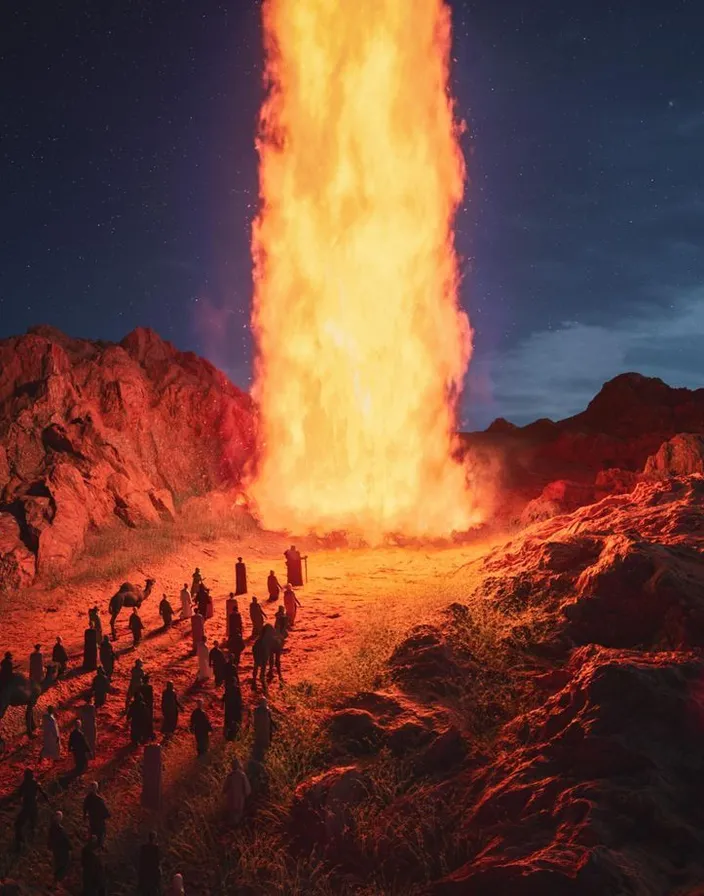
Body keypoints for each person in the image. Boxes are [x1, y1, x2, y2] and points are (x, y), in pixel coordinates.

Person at [14, 768, 48, 849]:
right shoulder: (35, 783)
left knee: (18, 824)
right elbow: (42, 791)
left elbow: (19, 794)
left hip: (27, 805)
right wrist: (47, 799)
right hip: (33, 805)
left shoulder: (24, 784)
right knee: (33, 822)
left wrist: (19, 799)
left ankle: (21, 841)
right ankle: (32, 837)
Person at [223, 756, 251, 825]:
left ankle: (232, 827)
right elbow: (247, 787)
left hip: (231, 798)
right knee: (238, 813)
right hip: (240, 798)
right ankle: (236, 827)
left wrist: (224, 792)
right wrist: (247, 794)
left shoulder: (230, 775)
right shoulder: (242, 775)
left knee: (232, 814)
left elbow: (225, 788)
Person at [83, 781, 110, 848]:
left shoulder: (88, 798)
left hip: (92, 820)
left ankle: (94, 847)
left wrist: (85, 817)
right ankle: (99, 847)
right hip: (98, 821)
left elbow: (84, 809)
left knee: (94, 834)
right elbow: (104, 810)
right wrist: (107, 815)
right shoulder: (98, 799)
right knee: (100, 834)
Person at [48, 809, 71, 883]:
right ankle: (56, 881)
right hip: (62, 850)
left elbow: (50, 839)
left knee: (57, 864)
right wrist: (70, 847)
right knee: (62, 865)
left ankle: (55, 882)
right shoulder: (60, 829)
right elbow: (65, 840)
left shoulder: (51, 828)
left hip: (56, 849)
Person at [138, 830, 162, 896]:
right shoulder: (156, 848)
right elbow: (157, 862)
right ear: (154, 838)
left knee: (145, 891)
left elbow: (141, 861)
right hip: (153, 873)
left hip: (144, 873)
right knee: (153, 891)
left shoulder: (143, 848)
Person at [140, 673, 155, 739]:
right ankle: (149, 733)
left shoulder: (140, 687)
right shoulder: (149, 687)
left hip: (142, 705)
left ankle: (143, 733)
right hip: (148, 705)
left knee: (142, 719)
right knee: (149, 719)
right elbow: (151, 697)